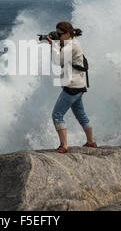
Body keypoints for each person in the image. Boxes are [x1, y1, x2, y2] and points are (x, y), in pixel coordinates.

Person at [46, 21, 97, 153]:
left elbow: (58, 61)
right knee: (81, 114)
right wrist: (59, 42)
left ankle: (64, 145)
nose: (58, 36)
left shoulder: (71, 45)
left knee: (57, 115)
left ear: (67, 33)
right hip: (79, 85)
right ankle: (91, 142)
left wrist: (54, 44)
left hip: (72, 87)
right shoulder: (72, 41)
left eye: (60, 34)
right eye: (56, 34)